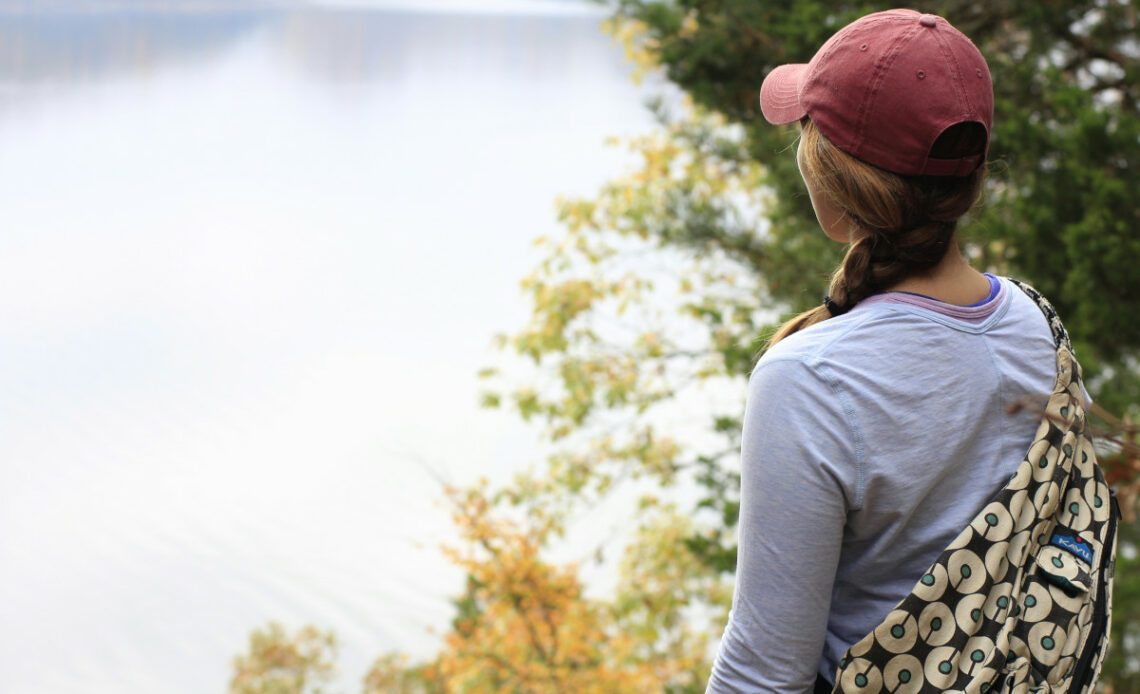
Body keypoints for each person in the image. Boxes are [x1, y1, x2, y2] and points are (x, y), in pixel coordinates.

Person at [706, 9, 1060, 694]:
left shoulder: (810, 378)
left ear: (831, 183)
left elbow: (763, 673)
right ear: (974, 170)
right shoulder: (1034, 322)